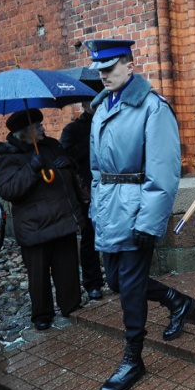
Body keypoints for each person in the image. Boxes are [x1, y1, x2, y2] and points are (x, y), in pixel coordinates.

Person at [83, 39, 195, 390]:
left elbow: (163, 171)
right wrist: (95, 210)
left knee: (129, 287)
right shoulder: (101, 107)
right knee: (116, 281)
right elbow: (97, 169)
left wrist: (150, 222)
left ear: (130, 66)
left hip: (135, 210)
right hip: (109, 209)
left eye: (111, 67)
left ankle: (133, 358)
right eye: (100, 69)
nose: (104, 74)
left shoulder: (151, 107)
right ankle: (176, 300)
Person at [0, 109, 84, 331]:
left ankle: (70, 305)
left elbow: (70, 171)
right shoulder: (9, 157)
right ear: (26, 133)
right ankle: (42, 313)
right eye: (38, 126)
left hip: (62, 220)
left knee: (67, 269)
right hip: (35, 228)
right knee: (39, 274)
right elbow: (8, 190)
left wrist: (69, 164)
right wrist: (32, 167)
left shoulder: (51, 145)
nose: (43, 128)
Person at [60, 79, 105, 301]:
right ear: (87, 105)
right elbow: (67, 159)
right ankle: (93, 282)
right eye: (95, 102)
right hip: (87, 191)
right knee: (89, 238)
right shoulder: (73, 130)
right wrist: (93, 138)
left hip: (110, 189)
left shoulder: (111, 123)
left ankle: (117, 277)